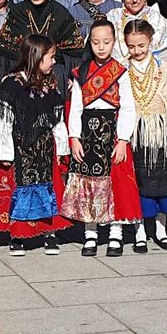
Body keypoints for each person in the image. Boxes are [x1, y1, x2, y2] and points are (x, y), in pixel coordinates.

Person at [0, 35, 72, 256]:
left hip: (45, 149)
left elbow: (57, 117)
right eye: (50, 57)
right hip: (19, 148)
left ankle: (49, 233)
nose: (54, 62)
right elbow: (1, 119)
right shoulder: (11, 83)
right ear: (36, 57)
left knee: (48, 191)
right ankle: (17, 236)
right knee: (18, 193)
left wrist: (62, 147)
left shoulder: (50, 82)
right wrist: (2, 151)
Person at [64, 19, 141, 257]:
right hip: (87, 135)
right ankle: (91, 234)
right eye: (96, 42)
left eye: (106, 42)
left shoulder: (120, 72)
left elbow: (128, 107)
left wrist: (123, 140)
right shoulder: (81, 72)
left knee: (114, 184)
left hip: (112, 133)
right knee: (89, 183)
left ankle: (115, 234)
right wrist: (74, 137)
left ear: (114, 42)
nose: (101, 47)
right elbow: (75, 107)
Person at [125, 20, 167, 252]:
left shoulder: (161, 67)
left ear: (150, 42)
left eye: (141, 45)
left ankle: (161, 230)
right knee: (139, 182)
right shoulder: (124, 69)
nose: (137, 51)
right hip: (137, 131)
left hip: (161, 128)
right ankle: (139, 231)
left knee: (163, 180)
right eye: (132, 46)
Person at [0, 0, 81, 78]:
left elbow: (75, 51)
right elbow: (5, 50)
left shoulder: (61, 14)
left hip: (54, 75)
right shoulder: (17, 12)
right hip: (22, 75)